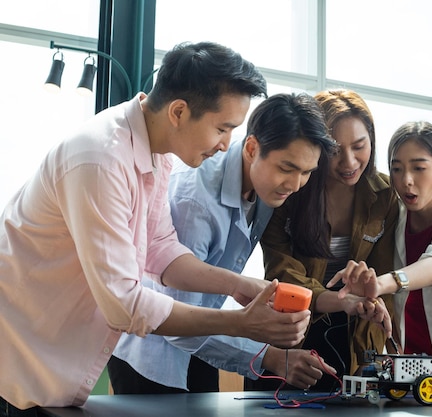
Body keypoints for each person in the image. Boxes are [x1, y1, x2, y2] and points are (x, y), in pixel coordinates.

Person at [0, 41, 312, 414]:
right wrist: (240, 324)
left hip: (47, 356)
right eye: (222, 128)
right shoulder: (100, 158)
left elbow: (161, 248)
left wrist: (241, 285)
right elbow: (124, 303)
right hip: (16, 356)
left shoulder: (154, 153)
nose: (227, 144)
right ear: (179, 111)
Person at [109, 92, 340, 394]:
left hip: (208, 338)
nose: (295, 184)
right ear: (252, 148)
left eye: (306, 172)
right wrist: (272, 357)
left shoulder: (267, 189)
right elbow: (175, 320)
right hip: (152, 353)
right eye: (286, 169)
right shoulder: (195, 201)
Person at [328, 121, 432, 384]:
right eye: (397, 169)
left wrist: (384, 283)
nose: (407, 180)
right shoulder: (391, 219)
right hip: (405, 372)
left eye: (419, 168)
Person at [251, 89, 398, 392]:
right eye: (333, 150)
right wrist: (339, 301)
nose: (349, 161)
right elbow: (282, 272)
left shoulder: (385, 196)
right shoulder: (290, 190)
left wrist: (371, 297)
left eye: (359, 146)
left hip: (355, 338)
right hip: (292, 332)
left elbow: (387, 274)